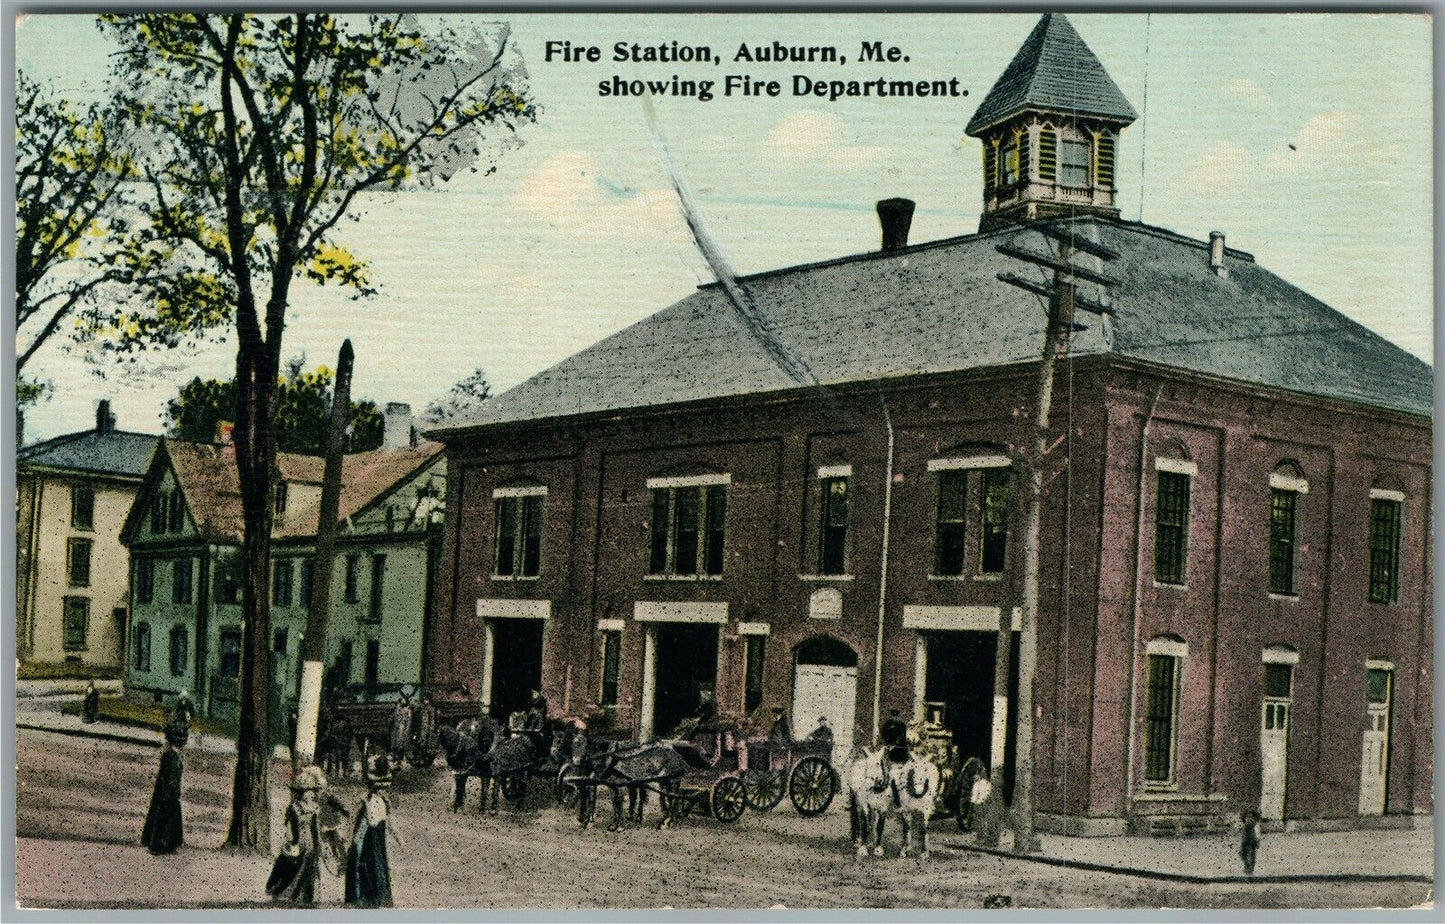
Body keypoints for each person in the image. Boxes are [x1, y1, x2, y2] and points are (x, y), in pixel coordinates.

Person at [266, 765, 327, 904]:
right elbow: (289, 826)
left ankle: (306, 895)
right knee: (293, 867)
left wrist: (319, 843)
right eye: (306, 792)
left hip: (311, 843)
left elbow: (315, 828)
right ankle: (286, 893)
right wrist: (291, 840)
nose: (309, 795)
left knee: (309, 867)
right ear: (300, 793)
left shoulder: (315, 808)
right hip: (297, 841)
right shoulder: (294, 808)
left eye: (312, 792)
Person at [345, 754, 396, 907]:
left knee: (378, 867)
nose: (383, 790)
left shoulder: (385, 802)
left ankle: (376, 897)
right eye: (379, 788)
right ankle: (362, 897)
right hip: (365, 835)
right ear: (373, 787)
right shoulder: (364, 800)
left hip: (377, 838)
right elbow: (354, 819)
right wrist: (351, 839)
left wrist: (399, 839)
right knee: (363, 865)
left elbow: (390, 822)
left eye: (384, 788)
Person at [140, 723, 186, 854]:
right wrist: (173, 790)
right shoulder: (172, 756)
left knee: (165, 816)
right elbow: (171, 777)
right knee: (165, 816)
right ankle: (161, 844)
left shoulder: (171, 754)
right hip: (168, 792)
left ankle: (165, 843)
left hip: (167, 791)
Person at [1239, 809, 1262, 876]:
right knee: (1244, 855)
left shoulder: (1255, 827)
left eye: (1252, 817)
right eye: (1248, 817)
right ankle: (1247, 867)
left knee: (1251, 855)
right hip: (1245, 842)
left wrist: (1257, 841)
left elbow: (1257, 834)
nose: (1250, 819)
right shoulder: (1245, 827)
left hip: (1252, 842)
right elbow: (1243, 836)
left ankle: (1250, 869)